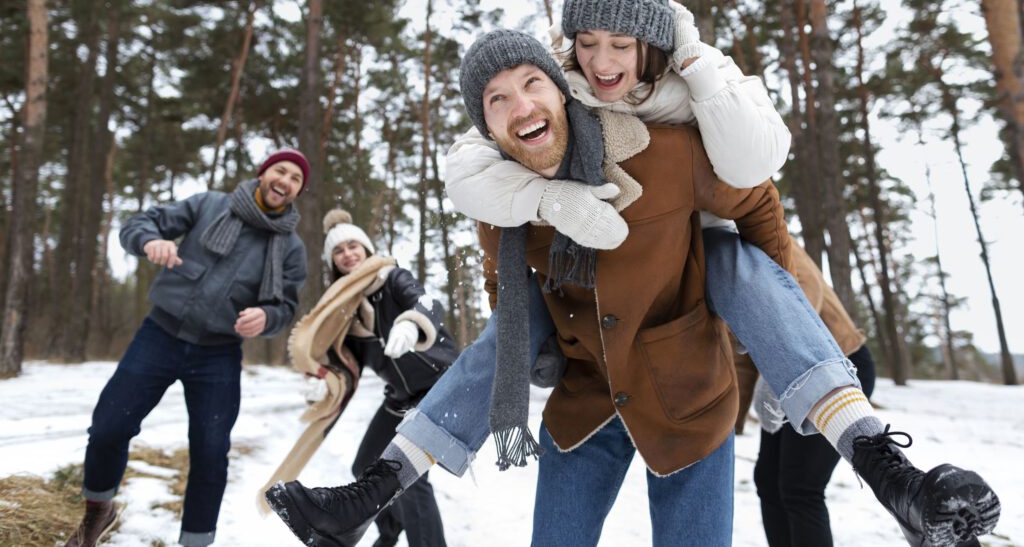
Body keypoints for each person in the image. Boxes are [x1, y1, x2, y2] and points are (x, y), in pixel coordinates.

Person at [265, 30, 1000, 546]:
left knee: (729, 257)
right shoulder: (504, 206)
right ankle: (373, 490)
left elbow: (757, 201)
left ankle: (887, 467)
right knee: (517, 324)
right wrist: (540, 354)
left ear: (560, 91)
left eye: (530, 84)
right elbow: (504, 303)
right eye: (495, 100)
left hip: (688, 399)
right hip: (585, 406)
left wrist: (765, 312)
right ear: (488, 129)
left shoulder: (664, 153)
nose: (520, 105)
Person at [64, 148, 310, 547]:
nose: (285, 181)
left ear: (299, 191)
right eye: (280, 171)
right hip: (160, 334)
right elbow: (141, 223)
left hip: (219, 353)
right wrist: (150, 241)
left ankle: (195, 542)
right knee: (110, 427)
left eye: (296, 179)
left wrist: (268, 317)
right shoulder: (210, 204)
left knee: (211, 453)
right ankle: (99, 510)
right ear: (264, 173)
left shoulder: (291, 248)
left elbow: (286, 307)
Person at [263, 208, 458, 547]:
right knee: (365, 464)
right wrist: (324, 382)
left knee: (410, 480)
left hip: (440, 386)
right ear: (332, 262)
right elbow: (345, 367)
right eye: (339, 251)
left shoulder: (392, 278)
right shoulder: (343, 313)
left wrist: (411, 323)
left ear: (367, 250)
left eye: (354, 246)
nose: (348, 254)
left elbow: (428, 304)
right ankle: (390, 532)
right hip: (400, 397)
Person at [735, 243, 877, 546]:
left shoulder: (759, 227)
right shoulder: (715, 253)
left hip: (834, 367)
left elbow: (805, 286)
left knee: (800, 487)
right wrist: (731, 421)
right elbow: (742, 353)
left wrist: (784, 358)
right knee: (768, 481)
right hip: (778, 375)